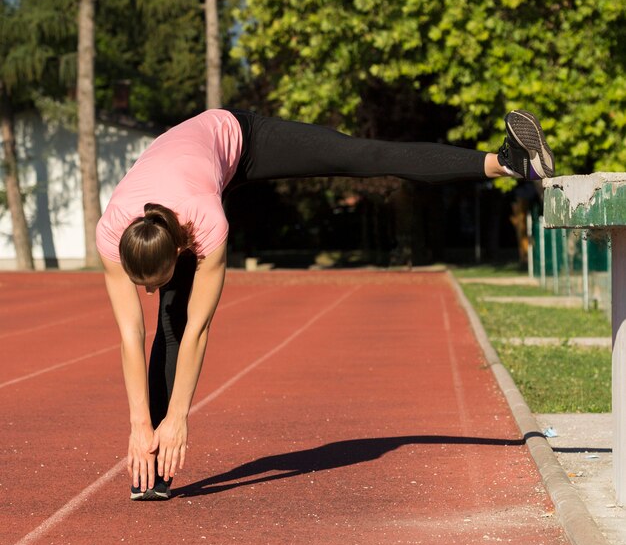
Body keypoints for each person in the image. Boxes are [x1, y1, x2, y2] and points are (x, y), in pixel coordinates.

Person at [96, 108, 555, 500]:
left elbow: (200, 329)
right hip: (173, 188)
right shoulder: (112, 230)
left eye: (154, 282)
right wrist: (139, 425)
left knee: (361, 155)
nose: (149, 291)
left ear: (178, 250)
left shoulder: (206, 221)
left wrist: (178, 419)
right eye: (144, 285)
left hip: (237, 136)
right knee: (165, 321)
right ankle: (151, 467)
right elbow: (129, 334)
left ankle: (508, 162)